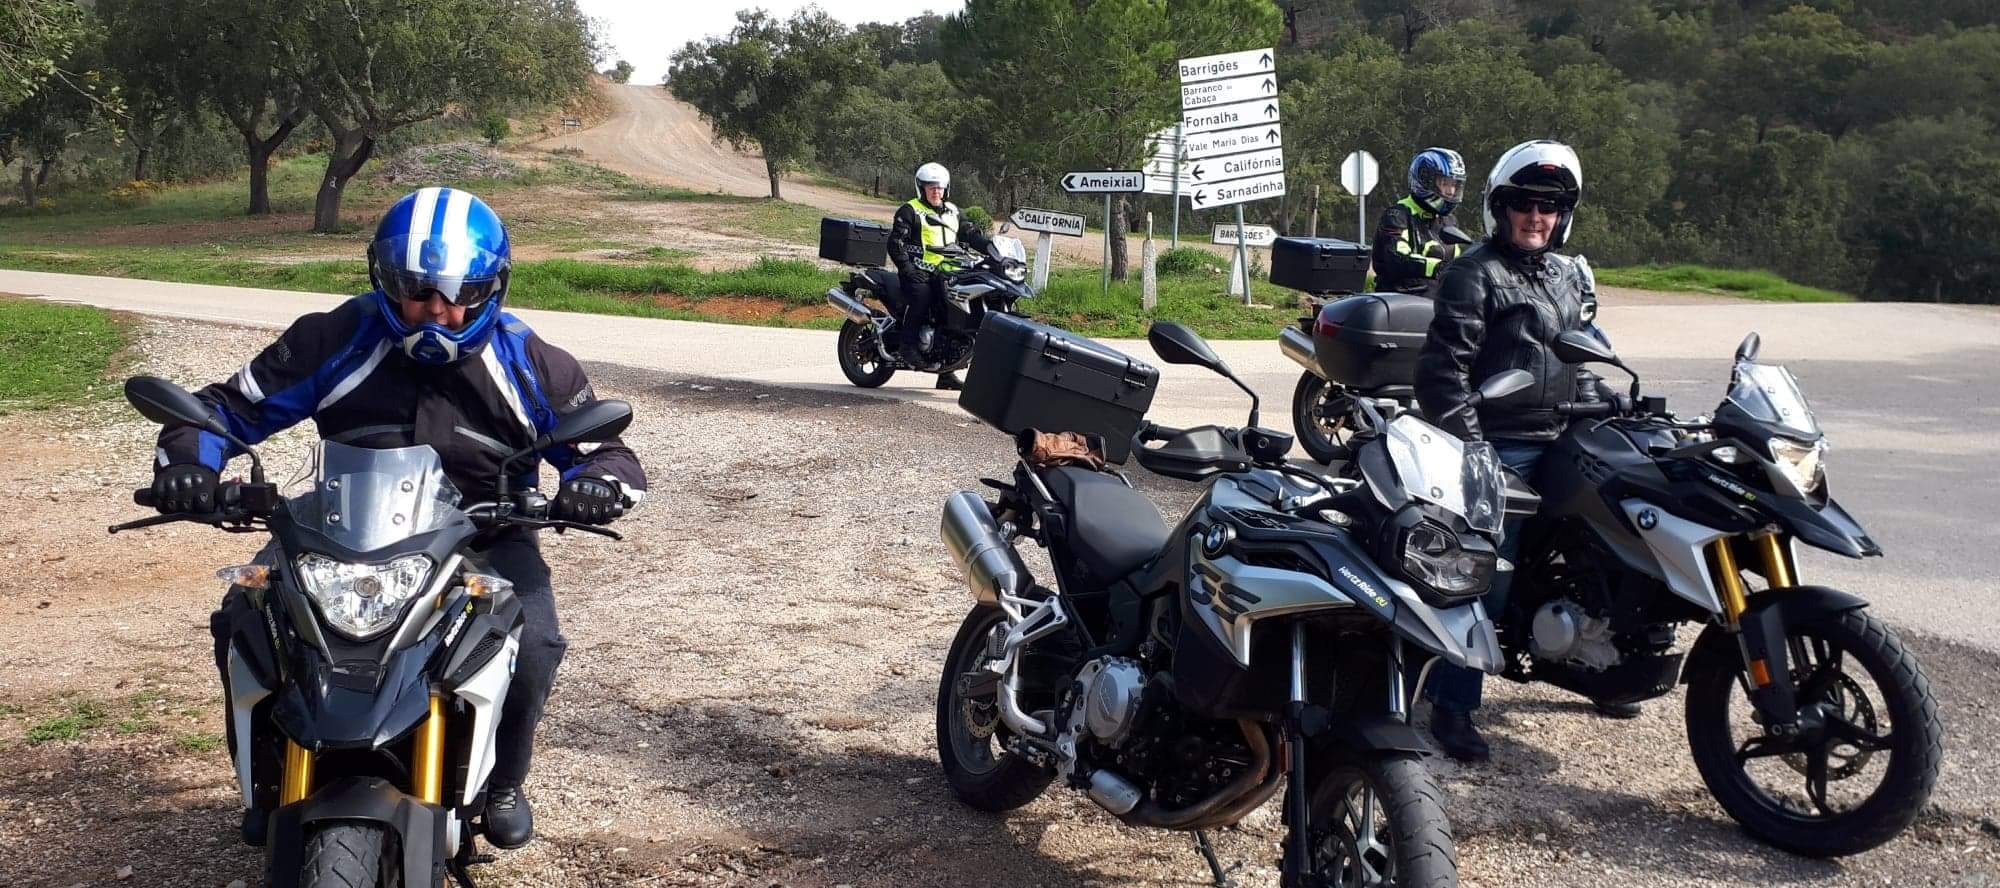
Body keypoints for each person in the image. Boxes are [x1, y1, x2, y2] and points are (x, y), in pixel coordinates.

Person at [149, 187, 646, 848]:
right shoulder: (335, 336)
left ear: (492, 287)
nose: (436, 311)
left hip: (482, 533)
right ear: (383, 281)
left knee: (535, 645)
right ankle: (267, 779)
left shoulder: (531, 362)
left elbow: (605, 449)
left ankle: (501, 780)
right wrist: (189, 465)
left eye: (458, 292)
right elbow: (226, 409)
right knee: (246, 616)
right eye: (416, 290)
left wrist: (596, 487)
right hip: (336, 527)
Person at [1412, 141, 1636, 763]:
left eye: (1550, 206)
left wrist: (1616, 402)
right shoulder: (1473, 273)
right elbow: (1442, 375)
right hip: (1502, 438)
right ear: (1502, 208)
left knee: (1621, 535)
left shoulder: (1568, 274)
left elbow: (1578, 356)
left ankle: (1609, 664)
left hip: (1568, 432)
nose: (1537, 217)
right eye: (1526, 205)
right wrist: (1475, 447)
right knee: (1491, 569)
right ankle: (1454, 702)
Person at [887, 161, 991, 390]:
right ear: (921, 188)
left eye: (940, 187)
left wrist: (992, 248)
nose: (936, 191)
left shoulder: (953, 211)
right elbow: (896, 243)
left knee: (955, 312)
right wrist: (908, 269)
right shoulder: (910, 210)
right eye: (931, 187)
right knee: (922, 297)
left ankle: (946, 371)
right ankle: (907, 346)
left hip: (948, 271)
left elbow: (971, 234)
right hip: (918, 271)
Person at [1373, 147, 1469, 294]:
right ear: (1425, 181)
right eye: (1444, 183)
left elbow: (1457, 262)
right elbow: (1397, 259)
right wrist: (1437, 267)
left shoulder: (1449, 221)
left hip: (1438, 303)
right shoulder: (1397, 216)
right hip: (1400, 300)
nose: (1450, 191)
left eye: (1454, 185)